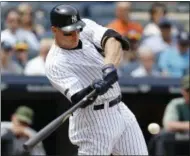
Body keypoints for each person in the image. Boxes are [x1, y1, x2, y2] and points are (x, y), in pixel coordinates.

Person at [45, 4, 148, 155]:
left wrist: (109, 66)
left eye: (77, 29)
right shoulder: (55, 63)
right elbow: (79, 98)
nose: (75, 35)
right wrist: (93, 89)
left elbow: (113, 39)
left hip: (120, 109)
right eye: (68, 33)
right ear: (54, 30)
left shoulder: (85, 27)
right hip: (93, 121)